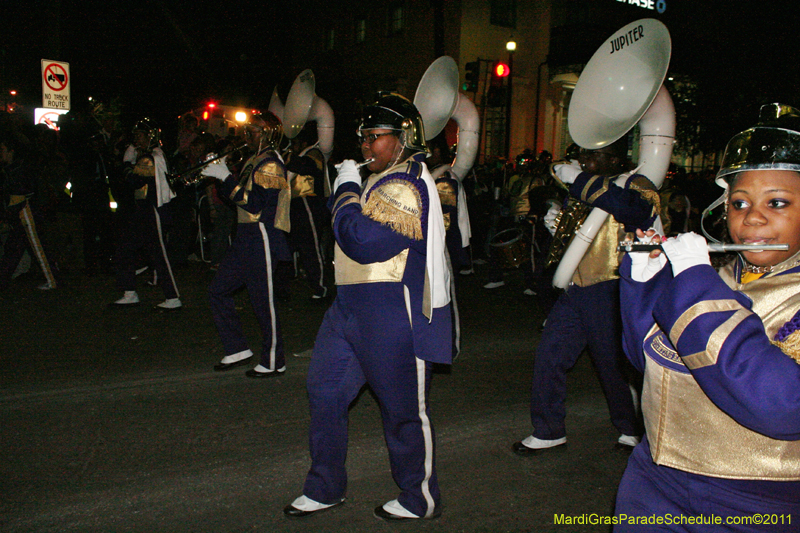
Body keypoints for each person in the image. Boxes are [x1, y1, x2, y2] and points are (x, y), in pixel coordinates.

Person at [613, 103, 800, 531]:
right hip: (655, 478)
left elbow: (784, 407)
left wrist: (695, 283)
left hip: (755, 499)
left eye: (777, 202)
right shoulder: (720, 277)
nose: (752, 217)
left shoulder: (707, 282)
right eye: (738, 203)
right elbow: (651, 365)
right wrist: (648, 282)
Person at [284, 93, 452, 521]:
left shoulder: (409, 181)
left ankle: (419, 498)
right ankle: (325, 487)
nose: (364, 145)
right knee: (324, 392)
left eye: (375, 137)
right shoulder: (381, 177)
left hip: (392, 312)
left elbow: (362, 241)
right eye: (363, 137)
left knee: (402, 412)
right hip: (349, 308)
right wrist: (350, 193)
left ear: (404, 139)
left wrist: (344, 189)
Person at [512, 137, 656, 455]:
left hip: (612, 287)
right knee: (550, 356)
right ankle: (549, 429)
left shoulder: (638, 184)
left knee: (613, 365)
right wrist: (557, 225)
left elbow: (637, 213)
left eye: (596, 154)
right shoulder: (585, 188)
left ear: (617, 160)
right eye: (586, 153)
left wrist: (580, 182)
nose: (587, 159)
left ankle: (632, 429)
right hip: (576, 289)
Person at [201, 112, 292, 378]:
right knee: (218, 290)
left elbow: (254, 204)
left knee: (263, 301)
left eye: (252, 132)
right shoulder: (254, 160)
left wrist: (225, 176)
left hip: (262, 235)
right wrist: (220, 178)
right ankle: (237, 348)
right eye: (248, 131)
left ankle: (275, 360)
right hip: (246, 234)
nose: (246, 137)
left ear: (268, 134)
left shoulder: (271, 164)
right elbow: (237, 201)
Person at [110, 118, 182, 309]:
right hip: (143, 211)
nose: (136, 139)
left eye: (140, 136)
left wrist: (126, 162)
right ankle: (129, 292)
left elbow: (133, 180)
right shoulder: (151, 155)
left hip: (153, 210)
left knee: (159, 255)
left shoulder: (150, 157)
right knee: (126, 248)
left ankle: (173, 297)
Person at [0, 128, 59, 291]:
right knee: (13, 249)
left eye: (3, 150)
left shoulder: (20, 170)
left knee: (37, 247)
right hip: (20, 215)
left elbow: (22, 196)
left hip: (26, 215)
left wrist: (8, 214)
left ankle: (52, 279)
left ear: (11, 151)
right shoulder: (10, 169)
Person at [284, 126, 330, 299]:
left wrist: (288, 158)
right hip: (294, 206)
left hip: (309, 206)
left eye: (294, 143)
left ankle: (320, 288)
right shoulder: (301, 153)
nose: (292, 146)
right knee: (287, 247)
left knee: (310, 248)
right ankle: (283, 285)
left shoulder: (314, 153)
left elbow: (308, 166)